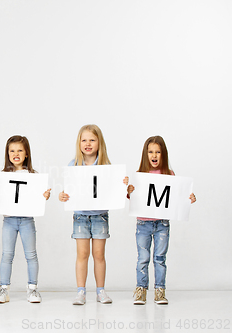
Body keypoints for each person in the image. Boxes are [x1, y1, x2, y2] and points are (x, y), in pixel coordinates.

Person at [58, 124, 128, 305]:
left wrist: (123, 184)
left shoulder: (106, 166)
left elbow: (114, 189)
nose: (88, 144)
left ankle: (100, 291)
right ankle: (81, 291)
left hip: (100, 216)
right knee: (82, 254)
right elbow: (69, 190)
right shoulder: (73, 165)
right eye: (84, 140)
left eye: (92, 140)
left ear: (99, 143)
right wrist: (63, 195)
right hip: (81, 216)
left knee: (99, 254)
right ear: (79, 143)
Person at [127, 135, 196, 305]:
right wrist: (129, 191)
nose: (154, 155)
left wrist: (189, 198)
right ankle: (141, 290)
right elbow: (134, 198)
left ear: (163, 154)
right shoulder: (140, 175)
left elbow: (177, 197)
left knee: (159, 258)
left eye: (158, 152)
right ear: (146, 154)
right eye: (151, 152)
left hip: (162, 224)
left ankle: (160, 291)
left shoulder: (169, 175)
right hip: (143, 223)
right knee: (142, 258)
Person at [0, 135, 51, 304]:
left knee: (31, 255)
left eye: (20, 150)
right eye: (12, 151)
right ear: (7, 154)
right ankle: (4, 289)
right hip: (9, 221)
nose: (15, 154)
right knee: (7, 255)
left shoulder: (33, 175)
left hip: (27, 220)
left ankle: (32, 289)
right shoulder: (2, 175)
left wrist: (45, 195)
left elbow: (39, 197)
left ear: (26, 154)